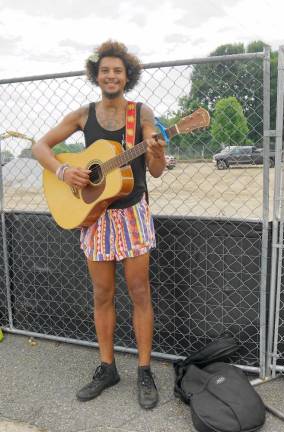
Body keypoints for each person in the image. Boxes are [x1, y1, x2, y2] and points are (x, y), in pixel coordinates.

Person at [32, 40, 166, 410]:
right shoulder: (83, 114)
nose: (111, 75)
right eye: (105, 70)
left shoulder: (141, 114)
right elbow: (40, 146)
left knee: (140, 293)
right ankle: (107, 368)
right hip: (95, 217)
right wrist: (63, 169)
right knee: (102, 294)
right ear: (97, 75)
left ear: (128, 76)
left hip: (132, 212)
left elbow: (154, 170)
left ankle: (143, 370)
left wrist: (156, 150)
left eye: (117, 71)